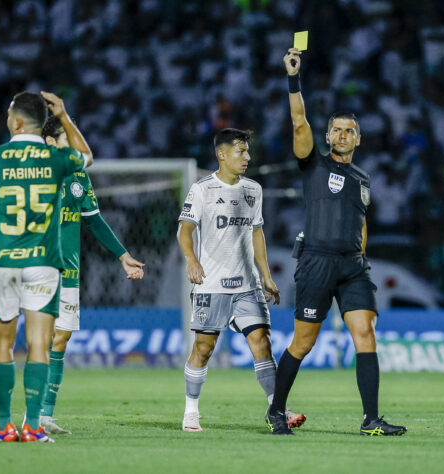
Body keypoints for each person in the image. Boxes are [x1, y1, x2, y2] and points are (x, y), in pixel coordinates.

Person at [0, 114, 146, 435]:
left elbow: (94, 220)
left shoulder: (77, 176)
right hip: (29, 262)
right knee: (31, 340)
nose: (73, 147)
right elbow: (4, 214)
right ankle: (20, 418)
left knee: (60, 339)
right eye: (67, 139)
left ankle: (43, 416)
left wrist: (123, 255)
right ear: (49, 142)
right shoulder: (33, 172)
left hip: (68, 267)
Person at [265, 49, 407, 436]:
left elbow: (361, 222)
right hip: (317, 261)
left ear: (358, 139)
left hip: (353, 265)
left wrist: (362, 256)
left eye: (350, 130)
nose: (343, 135)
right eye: (337, 130)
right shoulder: (314, 162)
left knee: (366, 333)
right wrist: (294, 79)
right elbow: (298, 123)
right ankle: (276, 410)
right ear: (328, 136)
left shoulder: (362, 178)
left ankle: (371, 419)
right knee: (304, 342)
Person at [0, 91, 92, 443]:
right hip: (43, 264)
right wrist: (65, 116)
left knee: (2, 346)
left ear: (17, 121)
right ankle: (34, 426)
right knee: (40, 345)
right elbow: (86, 157)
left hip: (3, 262)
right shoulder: (55, 157)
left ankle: (5, 425)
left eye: (10, 112)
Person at [177, 128, 305, 432]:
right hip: (212, 284)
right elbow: (184, 229)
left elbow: (256, 232)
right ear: (222, 155)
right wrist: (192, 260)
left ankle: (277, 409)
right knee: (204, 348)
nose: (247, 157)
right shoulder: (202, 189)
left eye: (247, 151)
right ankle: (191, 410)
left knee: (262, 342)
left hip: (248, 286)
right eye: (240, 151)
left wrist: (266, 276)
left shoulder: (253, 190)